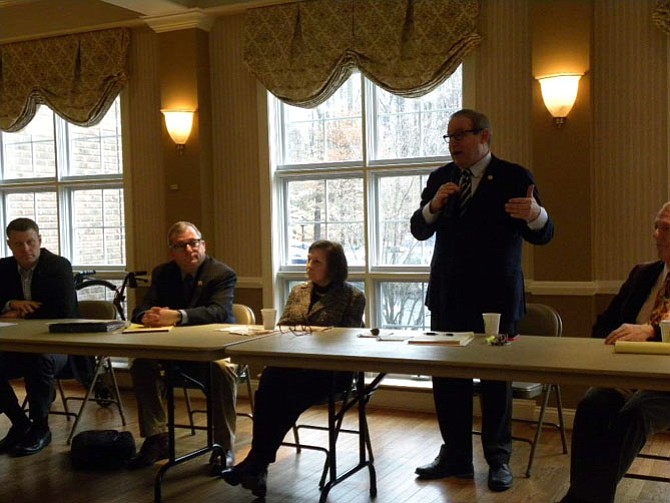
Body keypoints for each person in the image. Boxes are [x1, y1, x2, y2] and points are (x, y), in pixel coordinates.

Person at [410, 109, 554, 491]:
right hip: (448, 298)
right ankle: (455, 455)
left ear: (484, 136)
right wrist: (434, 205)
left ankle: (498, 459)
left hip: (496, 302)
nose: (454, 143)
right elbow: (418, 229)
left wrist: (536, 214)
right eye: (449, 137)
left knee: (494, 381)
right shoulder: (442, 178)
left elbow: (543, 234)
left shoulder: (514, 176)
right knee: (448, 381)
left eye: (461, 135)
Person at [221, 239, 365, 498]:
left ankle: (256, 462)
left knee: (284, 393)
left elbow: (348, 341)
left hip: (331, 373)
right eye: (308, 259)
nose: (309, 266)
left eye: (316, 261)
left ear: (333, 267)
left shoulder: (352, 296)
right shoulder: (298, 291)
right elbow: (285, 325)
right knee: (269, 384)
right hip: (293, 367)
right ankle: (257, 465)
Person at [559, 202, 670, 503]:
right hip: (627, 373)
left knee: (632, 418)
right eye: (656, 225)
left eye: (667, 228)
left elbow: (657, 331)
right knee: (591, 407)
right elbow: (604, 325)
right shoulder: (643, 274)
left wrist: (652, 331)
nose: (657, 234)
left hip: (665, 385)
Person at [126, 221, 238, 471]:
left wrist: (177, 316)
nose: (189, 249)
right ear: (172, 252)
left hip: (213, 352)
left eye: (193, 243)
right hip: (174, 353)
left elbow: (218, 311)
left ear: (203, 245)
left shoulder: (221, 274)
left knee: (223, 369)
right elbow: (140, 308)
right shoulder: (163, 273)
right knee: (142, 365)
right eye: (181, 245)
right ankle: (157, 439)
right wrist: (146, 317)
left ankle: (224, 447)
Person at [0, 217, 79, 456]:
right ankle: (21, 423)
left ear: (40, 240)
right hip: (17, 347)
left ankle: (41, 428)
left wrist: (18, 315)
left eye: (30, 242)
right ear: (9, 245)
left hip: (59, 348)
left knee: (38, 359)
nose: (26, 249)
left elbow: (62, 311)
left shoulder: (58, 266)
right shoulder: (2, 268)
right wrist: (10, 303)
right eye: (19, 244)